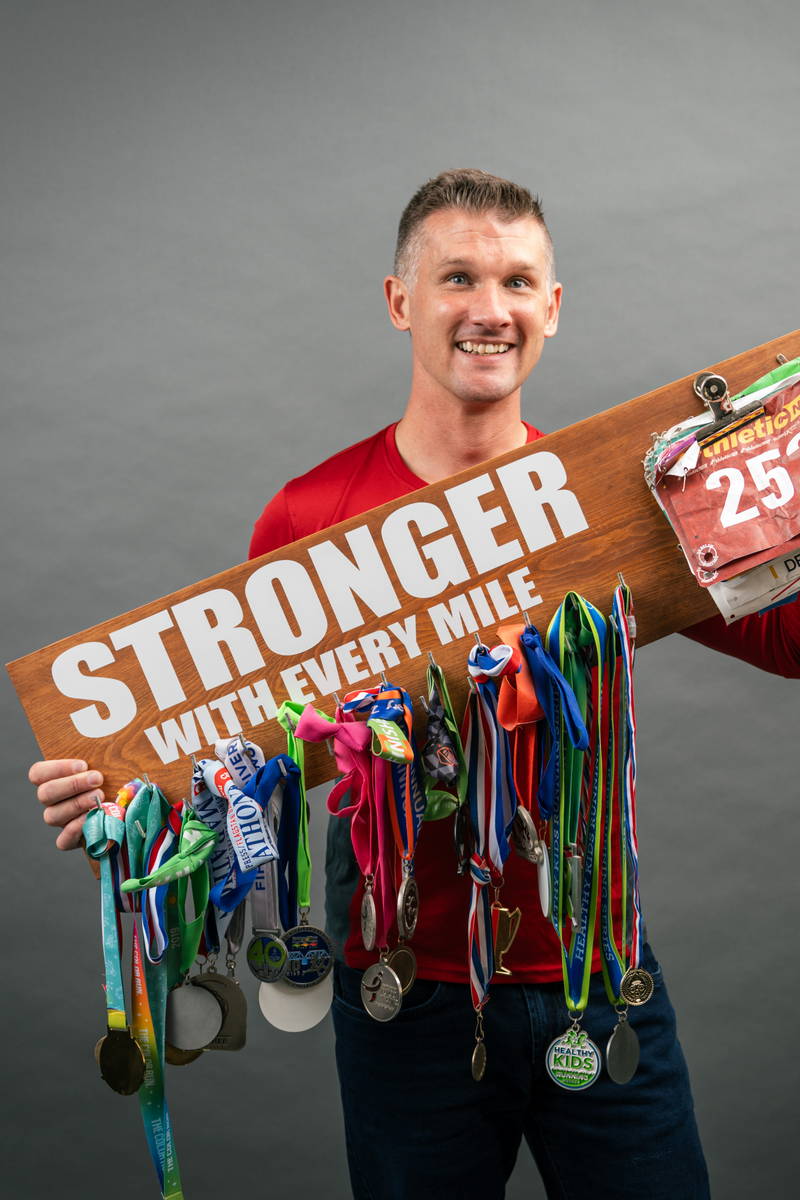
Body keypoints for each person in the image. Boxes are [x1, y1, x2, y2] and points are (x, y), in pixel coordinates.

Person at [30, 169, 800, 1199]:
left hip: (598, 980)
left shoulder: (614, 503)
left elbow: (786, 645)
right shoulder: (311, 517)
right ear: (401, 302)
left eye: (517, 282)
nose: (490, 309)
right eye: (457, 279)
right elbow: (234, 753)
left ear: (552, 310)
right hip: (407, 1009)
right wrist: (126, 809)